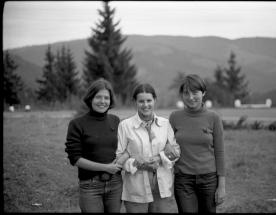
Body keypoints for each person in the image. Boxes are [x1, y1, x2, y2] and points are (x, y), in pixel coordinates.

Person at [115, 83, 180, 213]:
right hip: (136, 189)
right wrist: (139, 164)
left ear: (155, 100)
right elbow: (118, 158)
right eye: (141, 101)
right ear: (135, 102)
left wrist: (159, 158)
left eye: (149, 100)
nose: (145, 105)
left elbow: (175, 152)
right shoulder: (125, 126)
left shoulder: (165, 124)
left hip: (161, 188)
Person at [169, 74, 226, 213]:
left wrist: (222, 186)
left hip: (209, 180)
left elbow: (220, 152)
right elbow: (168, 147)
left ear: (203, 93)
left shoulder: (214, 118)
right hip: (183, 181)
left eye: (195, 92)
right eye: (186, 93)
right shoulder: (174, 117)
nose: (190, 97)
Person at [64, 78, 123, 213]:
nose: (102, 101)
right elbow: (75, 159)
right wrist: (106, 167)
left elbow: (124, 148)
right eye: (98, 97)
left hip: (115, 184)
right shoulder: (77, 124)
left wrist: (120, 162)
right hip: (90, 186)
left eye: (106, 98)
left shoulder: (115, 121)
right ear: (90, 98)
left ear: (110, 100)